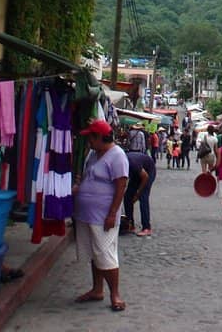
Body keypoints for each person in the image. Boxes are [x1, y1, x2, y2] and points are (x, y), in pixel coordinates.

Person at [73, 118, 128, 312]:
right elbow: (87, 176)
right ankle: (97, 289)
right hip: (86, 213)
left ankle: (115, 293)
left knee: (105, 254)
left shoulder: (117, 156)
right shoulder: (93, 154)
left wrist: (112, 213)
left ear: (99, 137)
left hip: (103, 214)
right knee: (94, 254)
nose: (89, 141)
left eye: (91, 138)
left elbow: (121, 185)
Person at [124, 149, 156, 237]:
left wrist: (137, 194)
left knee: (143, 197)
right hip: (136, 174)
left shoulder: (132, 163)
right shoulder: (120, 162)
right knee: (127, 197)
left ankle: (146, 227)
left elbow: (145, 177)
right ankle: (130, 224)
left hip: (148, 171)